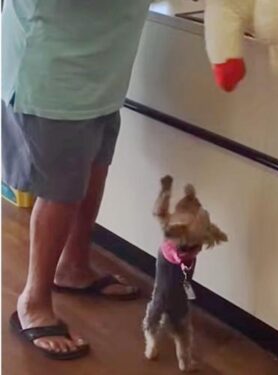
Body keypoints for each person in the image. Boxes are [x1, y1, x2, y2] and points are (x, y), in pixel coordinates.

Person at [3, 0, 152, 359]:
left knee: (93, 169)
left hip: (102, 69)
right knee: (62, 190)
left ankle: (73, 266)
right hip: (56, 67)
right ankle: (33, 302)